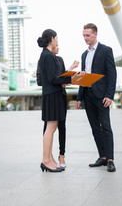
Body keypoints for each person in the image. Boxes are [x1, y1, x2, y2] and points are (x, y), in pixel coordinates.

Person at [38, 29, 83, 172]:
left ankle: (50, 159)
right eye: (56, 38)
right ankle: (46, 160)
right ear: (52, 39)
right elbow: (53, 78)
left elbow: (54, 77)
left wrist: (71, 76)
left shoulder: (47, 55)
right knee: (50, 128)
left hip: (53, 94)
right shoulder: (47, 56)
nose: (57, 40)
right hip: (52, 95)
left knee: (52, 128)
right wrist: (73, 77)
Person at [76, 23, 117, 172]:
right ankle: (103, 157)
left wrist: (109, 95)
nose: (85, 38)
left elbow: (112, 74)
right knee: (95, 128)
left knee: (106, 127)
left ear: (95, 34)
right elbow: (83, 77)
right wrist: (79, 97)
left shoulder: (106, 50)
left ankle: (111, 160)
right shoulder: (84, 54)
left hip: (102, 97)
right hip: (88, 96)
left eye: (87, 35)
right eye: (83, 35)